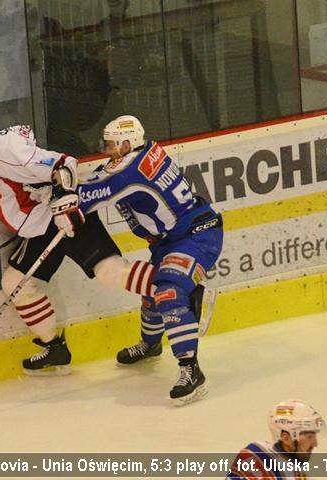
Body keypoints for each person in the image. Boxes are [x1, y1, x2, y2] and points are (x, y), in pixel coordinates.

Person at [0, 113, 156, 376]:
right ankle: (54, 348)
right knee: (16, 283)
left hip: (62, 218)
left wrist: (66, 204)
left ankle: (177, 286)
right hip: (43, 226)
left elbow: (63, 164)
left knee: (110, 272)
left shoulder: (3, 150)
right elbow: (21, 185)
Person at [76, 115, 223, 405]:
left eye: (110, 145)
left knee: (168, 292)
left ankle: (191, 370)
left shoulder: (130, 171)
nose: (106, 151)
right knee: (152, 291)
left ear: (126, 144)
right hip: (171, 239)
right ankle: (151, 344)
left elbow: (88, 197)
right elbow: (98, 178)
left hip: (195, 236)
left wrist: (61, 195)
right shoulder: (140, 155)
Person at [227, 399, 326, 479]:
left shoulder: (254, 450)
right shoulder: (259, 456)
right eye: (309, 437)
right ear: (286, 438)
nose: (315, 444)